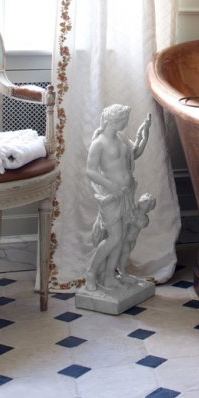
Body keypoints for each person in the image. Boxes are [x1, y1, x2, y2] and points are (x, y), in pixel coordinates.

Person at [84, 105, 151, 292]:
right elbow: (90, 171)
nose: (126, 124)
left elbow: (134, 154)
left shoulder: (121, 138)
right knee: (114, 238)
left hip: (126, 194)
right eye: (124, 120)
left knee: (120, 238)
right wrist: (110, 185)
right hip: (111, 195)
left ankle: (109, 277)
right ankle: (91, 271)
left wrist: (143, 136)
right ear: (113, 121)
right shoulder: (99, 143)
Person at [116, 192, 156, 284]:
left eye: (148, 205)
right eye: (145, 203)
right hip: (125, 239)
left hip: (132, 240)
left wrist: (133, 219)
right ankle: (121, 270)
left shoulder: (145, 218)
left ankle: (120, 269)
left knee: (125, 254)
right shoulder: (133, 211)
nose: (145, 206)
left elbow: (141, 224)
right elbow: (126, 220)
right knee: (124, 252)